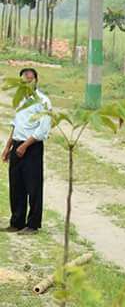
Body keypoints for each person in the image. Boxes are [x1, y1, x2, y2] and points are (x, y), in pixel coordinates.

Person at [1, 68, 52, 235]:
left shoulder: (43, 101)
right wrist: (8, 147)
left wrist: (25, 146)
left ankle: (33, 224)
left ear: (36, 80)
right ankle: (16, 222)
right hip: (17, 145)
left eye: (30, 79)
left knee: (33, 187)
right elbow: (16, 125)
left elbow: (43, 129)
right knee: (16, 186)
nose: (27, 82)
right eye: (24, 79)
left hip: (32, 147)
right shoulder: (21, 100)